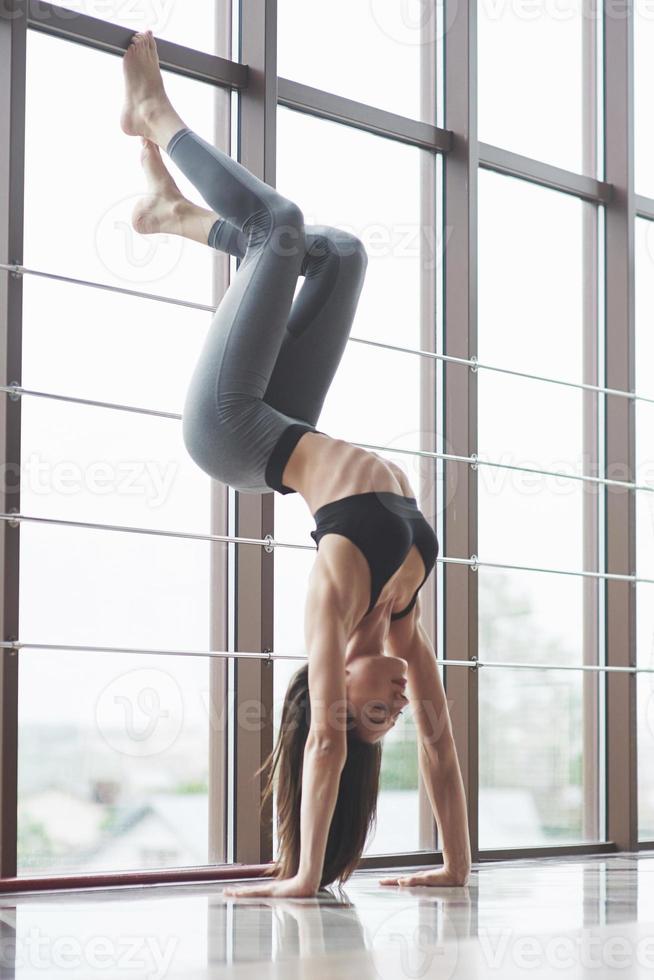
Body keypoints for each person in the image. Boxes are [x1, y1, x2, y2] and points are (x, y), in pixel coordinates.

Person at [121, 30, 471, 898]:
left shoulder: (334, 595)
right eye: (391, 711)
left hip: (232, 432)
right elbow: (441, 739)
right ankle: (172, 216)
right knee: (342, 254)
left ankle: (154, 118)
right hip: (290, 422)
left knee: (280, 230)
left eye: (372, 709)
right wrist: (455, 867)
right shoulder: (403, 620)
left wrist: (305, 876)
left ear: (338, 687)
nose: (393, 702)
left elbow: (322, 744)